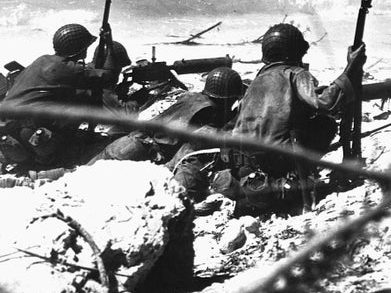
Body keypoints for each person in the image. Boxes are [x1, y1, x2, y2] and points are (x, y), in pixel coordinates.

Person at [223, 22, 365, 216]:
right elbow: (325, 103)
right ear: (296, 52)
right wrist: (351, 68)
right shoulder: (296, 74)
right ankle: (298, 178)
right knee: (326, 124)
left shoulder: (256, 81)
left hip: (249, 163)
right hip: (280, 157)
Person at [88, 66, 245, 201]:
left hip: (132, 141)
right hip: (140, 150)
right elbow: (205, 135)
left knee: (82, 176)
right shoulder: (208, 110)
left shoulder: (192, 97)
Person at [0, 23, 116, 168]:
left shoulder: (42, 59)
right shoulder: (69, 69)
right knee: (85, 97)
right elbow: (109, 76)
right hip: (30, 130)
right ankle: (49, 152)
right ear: (81, 49)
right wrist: (109, 44)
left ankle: (24, 154)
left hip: (7, 127)